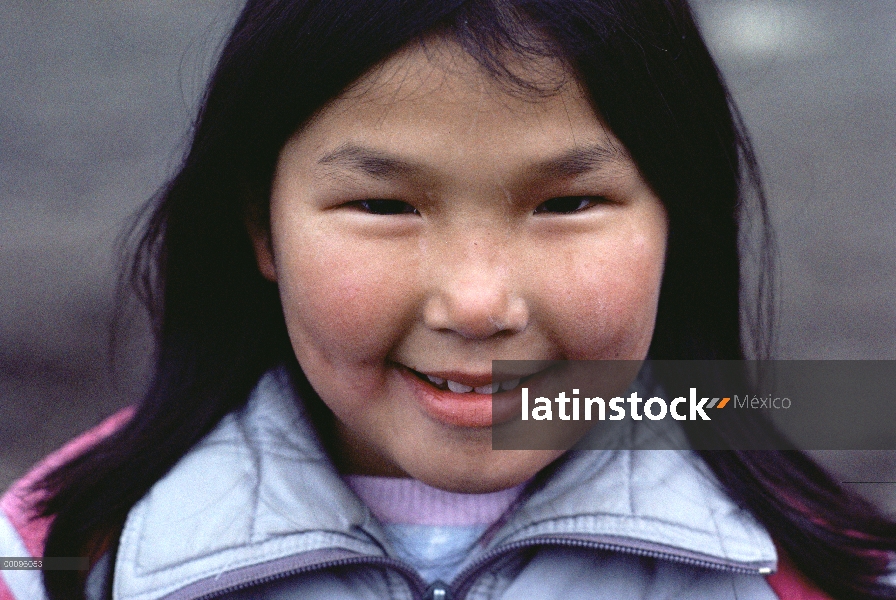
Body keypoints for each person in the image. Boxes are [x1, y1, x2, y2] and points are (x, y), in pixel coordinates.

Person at [2, 1, 895, 599]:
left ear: (681, 221)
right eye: (384, 205)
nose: (476, 304)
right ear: (260, 227)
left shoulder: (826, 569)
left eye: (566, 204)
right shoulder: (54, 556)